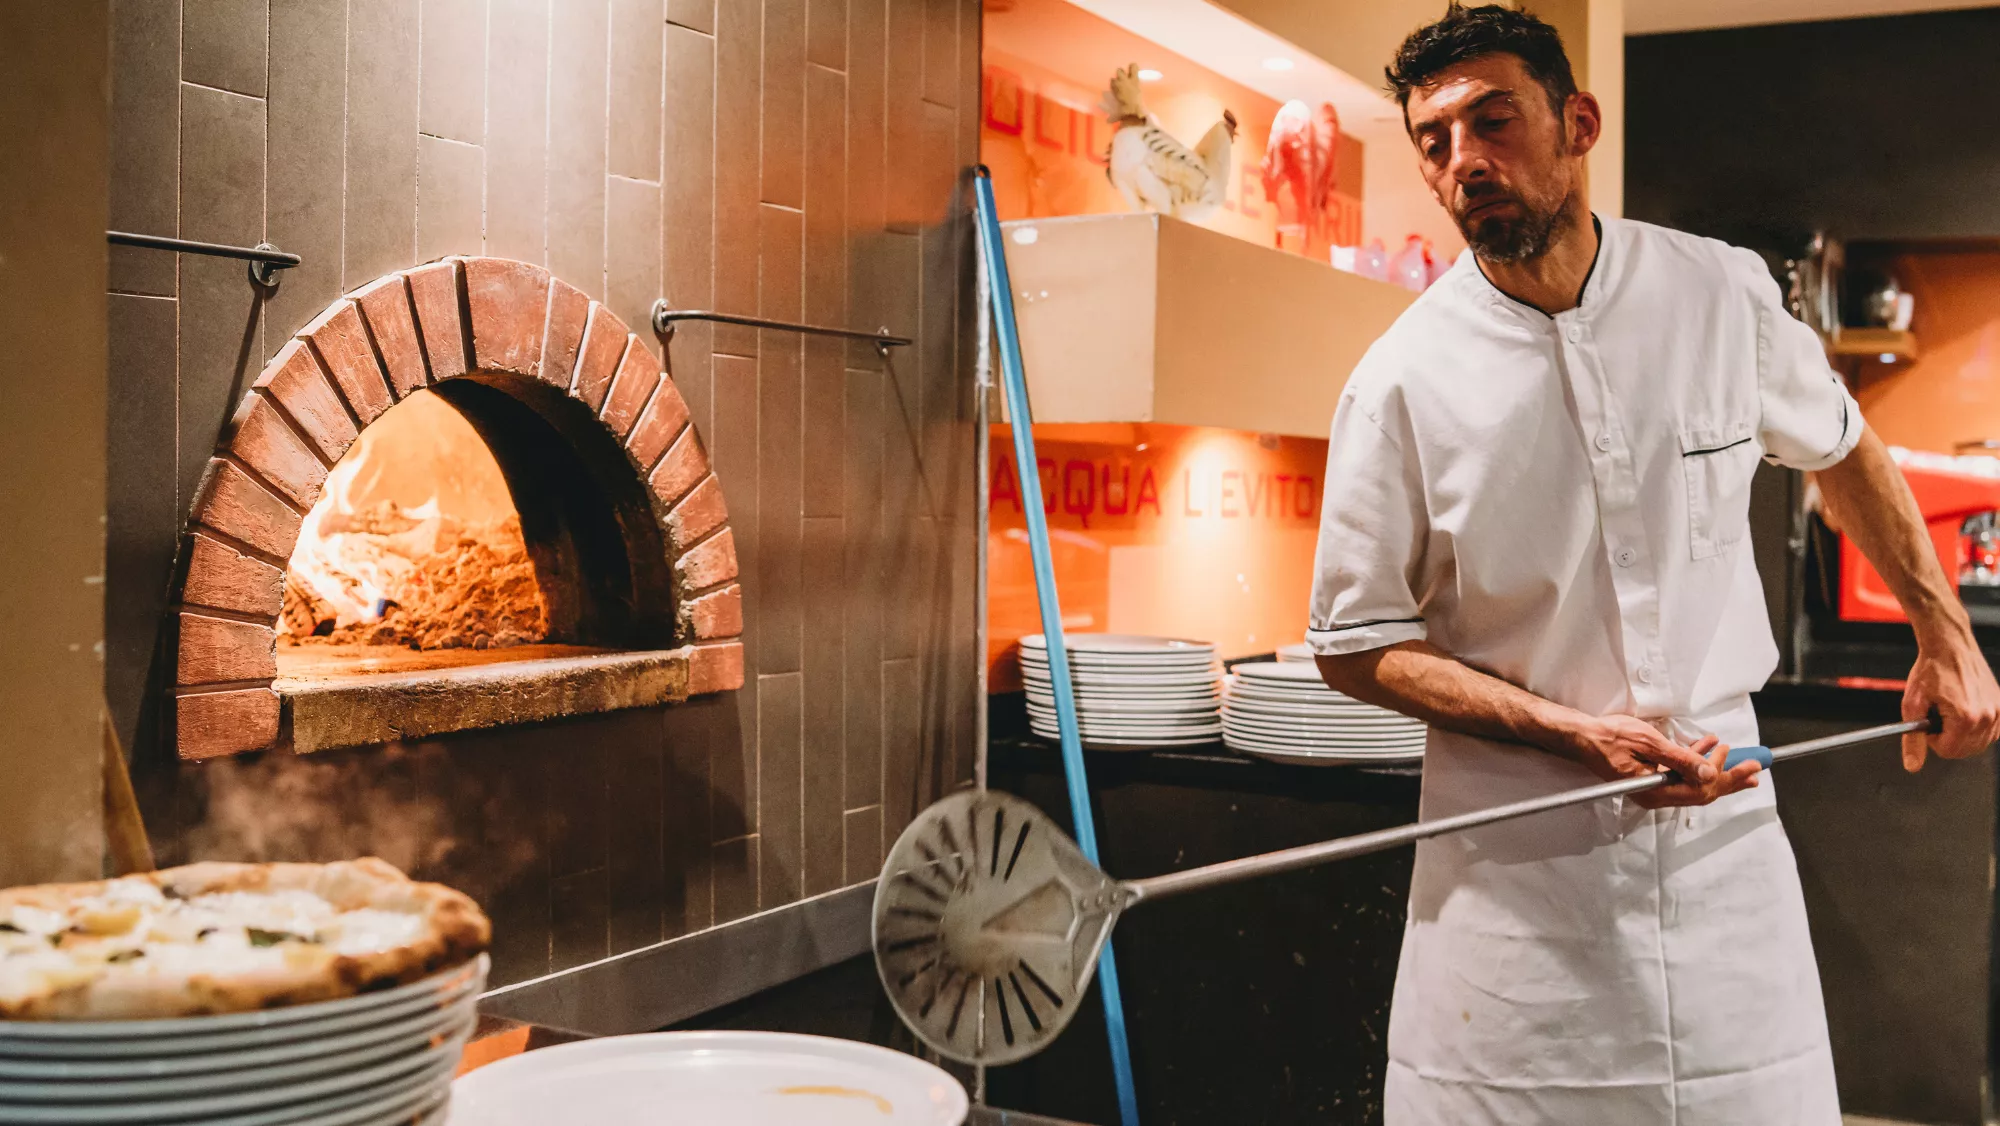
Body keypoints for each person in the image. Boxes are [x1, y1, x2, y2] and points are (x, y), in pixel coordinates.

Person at [1306, 4, 2000, 1122]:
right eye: (1433, 143)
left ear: (1576, 122)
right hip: (1514, 873)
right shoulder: (1396, 381)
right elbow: (1352, 644)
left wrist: (1944, 632)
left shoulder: (1717, 293)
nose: (1462, 162)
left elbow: (1841, 446)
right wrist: (1568, 733)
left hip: (1721, 842)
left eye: (1492, 121)